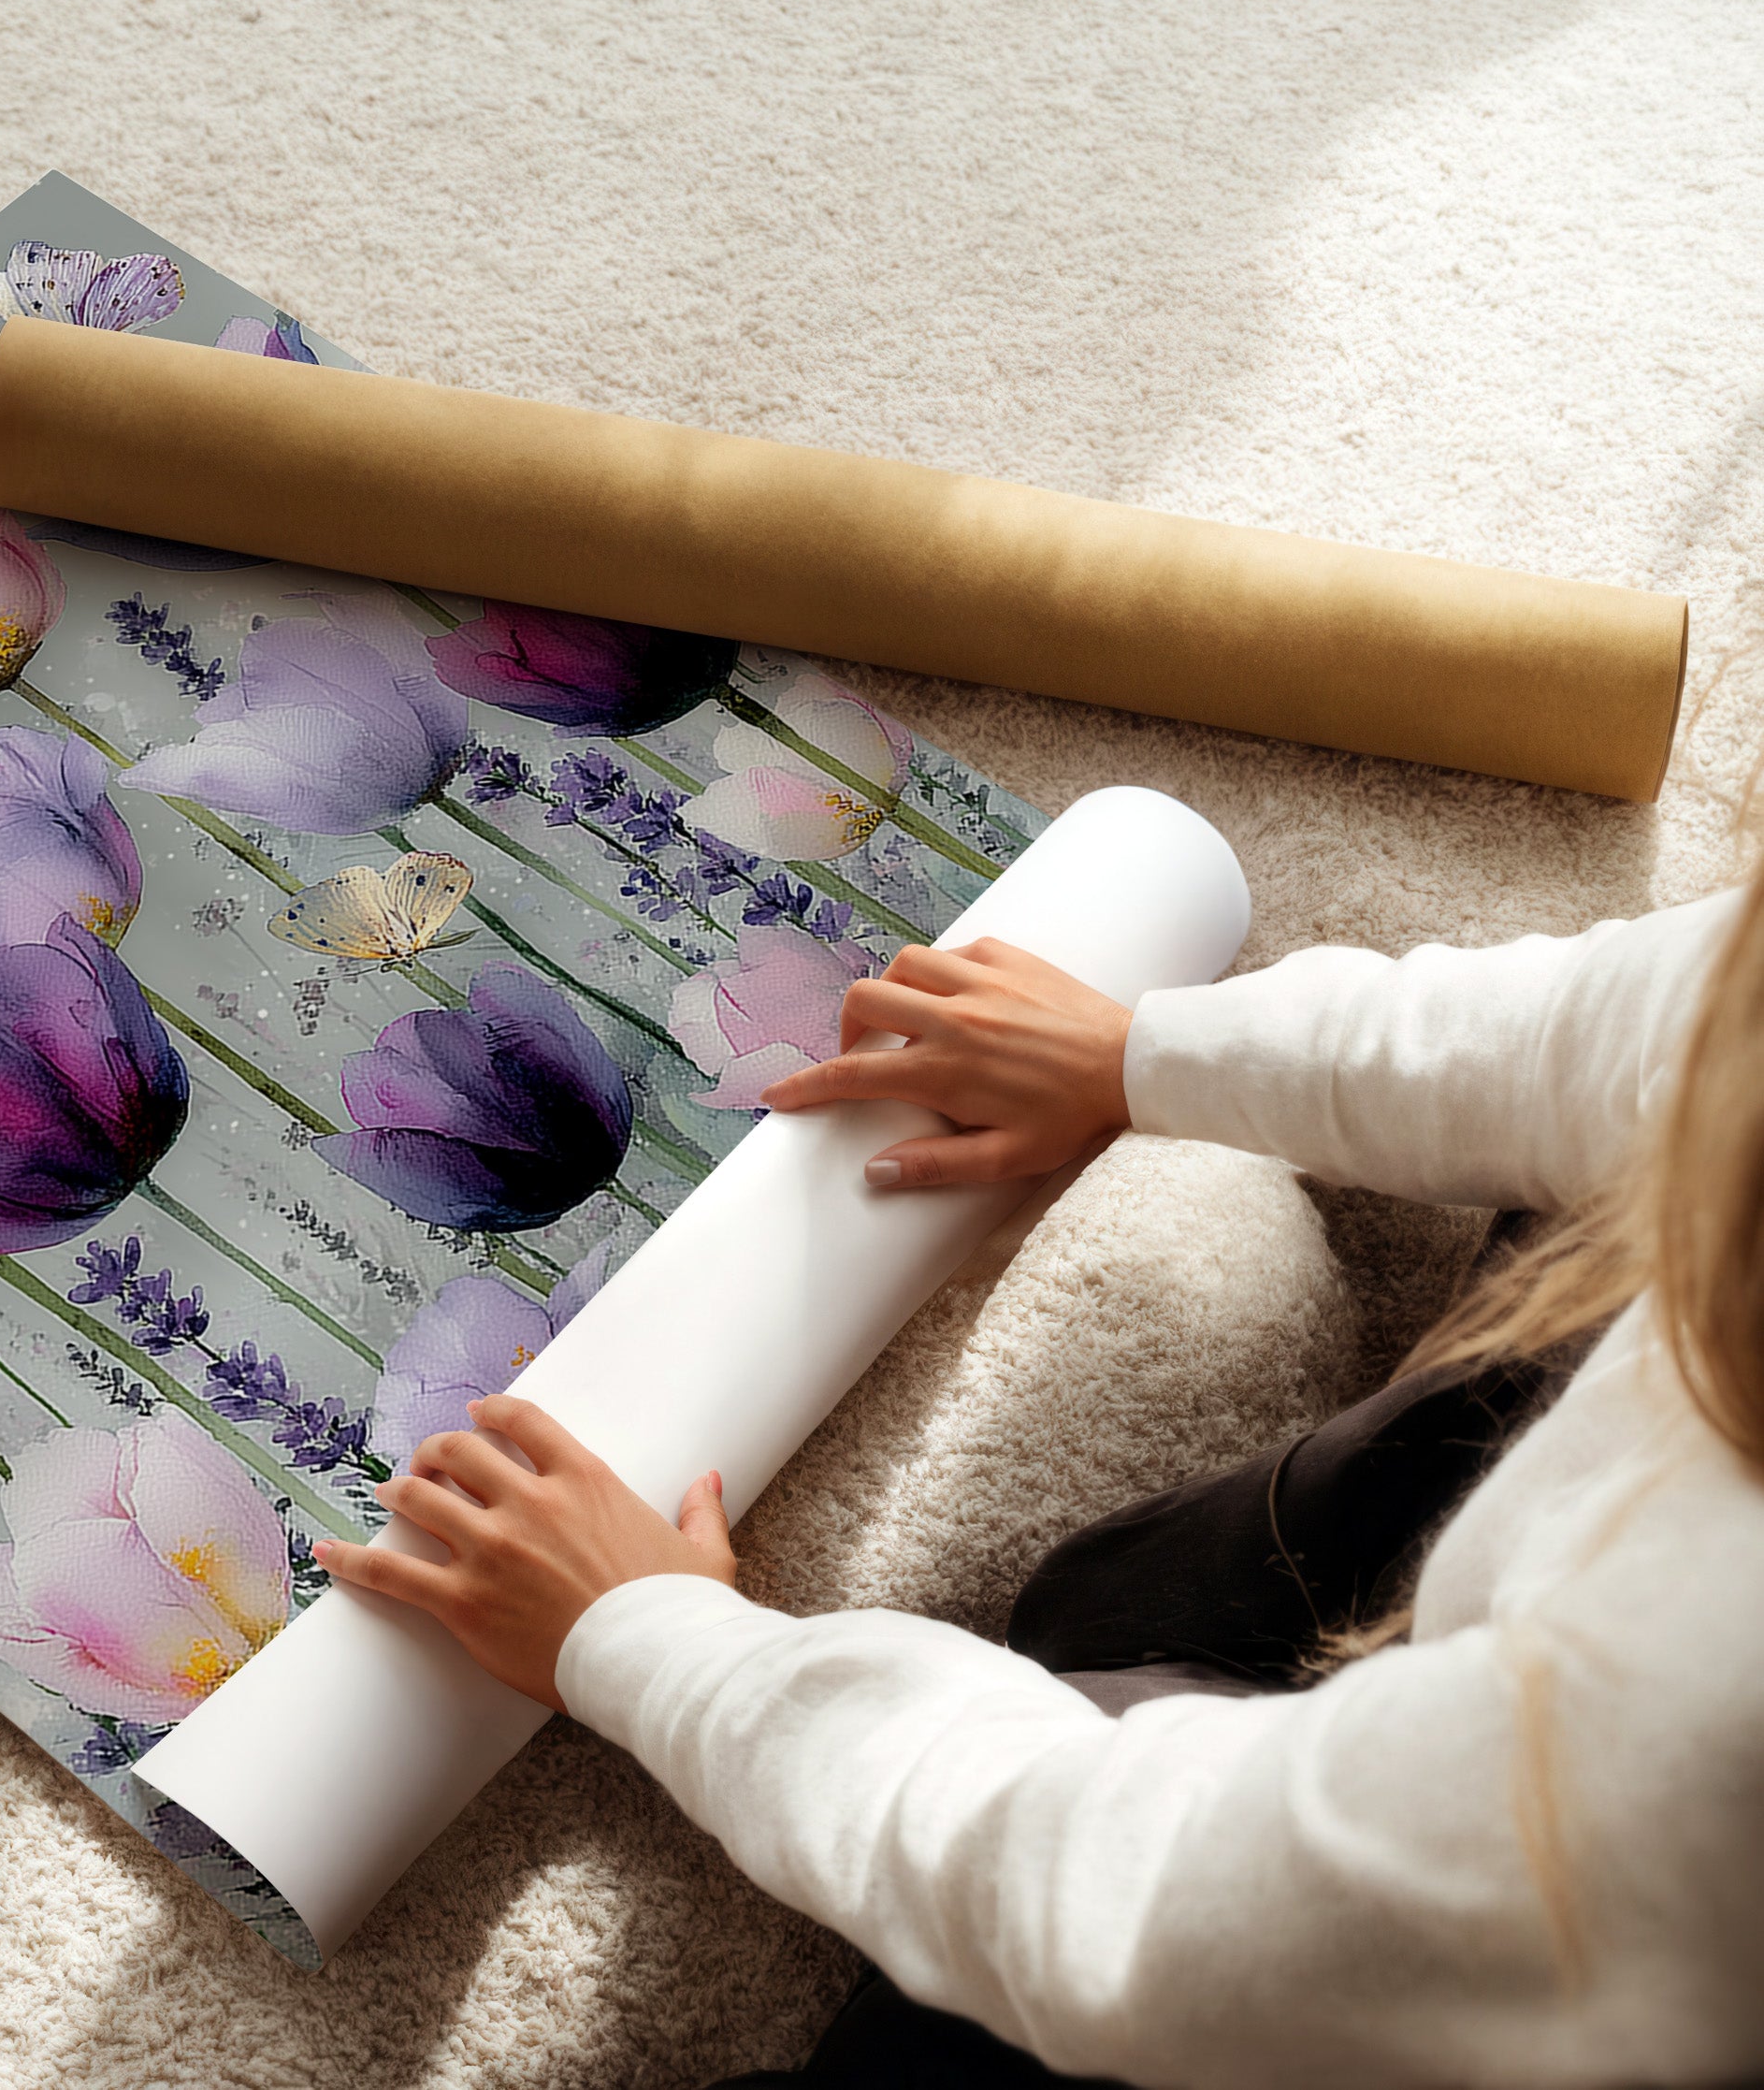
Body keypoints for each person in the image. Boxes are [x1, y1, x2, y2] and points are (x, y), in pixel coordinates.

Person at [314, 876, 1764, 2087]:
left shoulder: (1693, 1733)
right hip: (1573, 1672)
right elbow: (1651, 1022)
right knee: (1122, 1605)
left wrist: (656, 1643)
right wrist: (1144, 1052)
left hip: (1557, 1961)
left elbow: (1136, 1903)